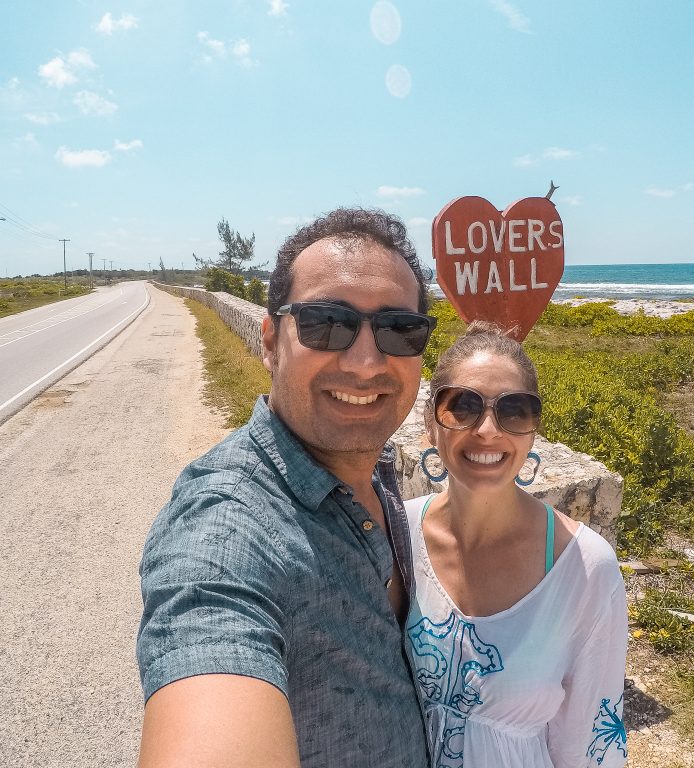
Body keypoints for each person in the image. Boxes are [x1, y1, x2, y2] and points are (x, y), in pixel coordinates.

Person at [136, 208, 434, 768]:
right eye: (327, 324)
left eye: (399, 330)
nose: (367, 363)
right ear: (271, 341)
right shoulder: (226, 527)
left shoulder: (378, 471)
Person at [406, 322, 628, 768]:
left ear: (533, 431)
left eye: (515, 410)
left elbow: (590, 745)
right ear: (432, 422)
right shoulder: (399, 535)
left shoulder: (585, 569)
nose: (488, 430)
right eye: (462, 406)